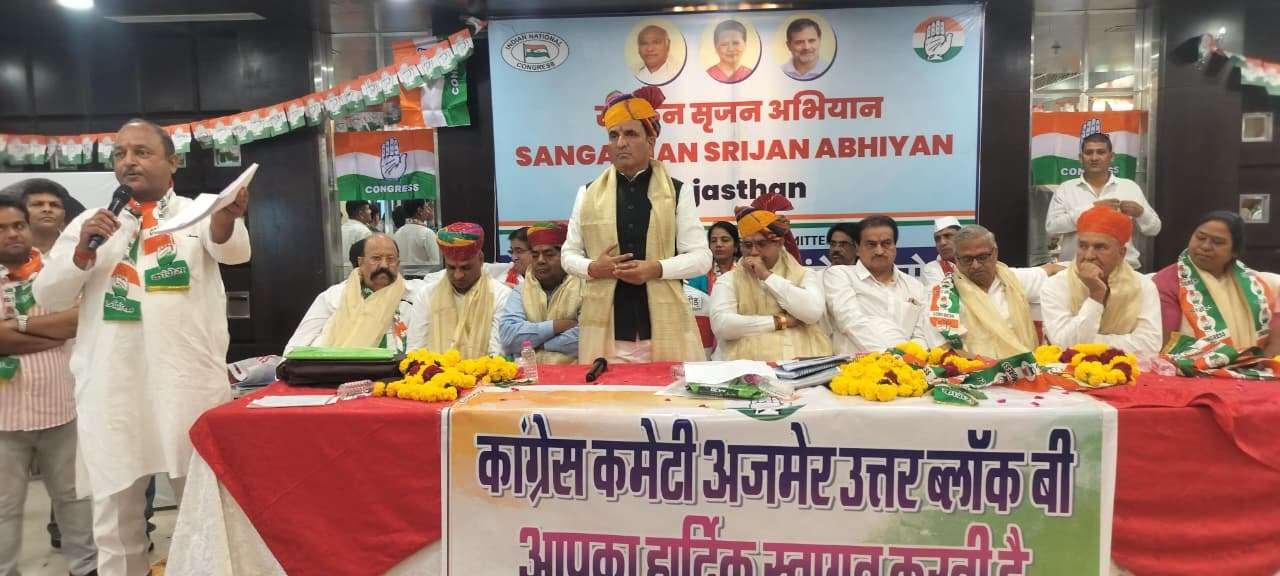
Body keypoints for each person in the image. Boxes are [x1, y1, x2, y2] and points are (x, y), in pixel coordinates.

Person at [32, 118, 251, 575]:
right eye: (119, 154)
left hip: (186, 384)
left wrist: (227, 218)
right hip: (113, 388)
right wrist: (83, 251)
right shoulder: (91, 223)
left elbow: (233, 252)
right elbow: (48, 295)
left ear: (173, 161)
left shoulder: (201, 210)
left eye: (141, 152)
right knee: (114, 520)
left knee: (202, 510)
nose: (128, 161)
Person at [562, 87, 710, 363]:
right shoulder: (588, 193)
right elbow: (568, 255)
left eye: (630, 134)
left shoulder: (678, 191)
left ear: (650, 140)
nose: (621, 143)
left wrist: (656, 268)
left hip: (664, 329)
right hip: (606, 330)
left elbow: (702, 258)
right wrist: (593, 268)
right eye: (613, 135)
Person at [0, 197, 98, 576]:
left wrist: (16, 329)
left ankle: (85, 567)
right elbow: (60, 329)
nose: (12, 234)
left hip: (61, 408)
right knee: (4, 506)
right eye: (1, 228)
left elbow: (77, 321)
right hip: (4, 418)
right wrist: (50, 334)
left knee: (74, 498)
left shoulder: (57, 271)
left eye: (18, 225)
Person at [1153, 211, 1280, 358]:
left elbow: (1276, 341)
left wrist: (1262, 364)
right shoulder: (1167, 282)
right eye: (1200, 238)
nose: (1205, 246)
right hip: (1190, 366)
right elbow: (1166, 343)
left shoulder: (1259, 285)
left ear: (1234, 251)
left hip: (1257, 365)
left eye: (1218, 242)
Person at [710, 206, 830, 361]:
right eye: (747, 245)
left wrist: (767, 276)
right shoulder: (729, 280)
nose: (754, 252)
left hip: (801, 365)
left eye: (762, 244)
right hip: (743, 368)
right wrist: (780, 321)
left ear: (779, 243)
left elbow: (812, 312)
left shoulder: (804, 274)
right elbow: (723, 326)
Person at [1041, 205, 1161, 355]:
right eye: (1083, 246)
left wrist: (1088, 342)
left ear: (1121, 253)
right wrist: (1096, 295)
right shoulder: (1056, 285)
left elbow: (1150, 345)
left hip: (1127, 368)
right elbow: (1063, 345)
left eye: (1100, 247)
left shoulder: (1143, 286)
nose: (1089, 255)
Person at [923, 225, 1050, 358]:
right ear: (956, 259)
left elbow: (1052, 270)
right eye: (967, 259)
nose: (975, 265)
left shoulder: (1013, 279)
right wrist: (992, 365)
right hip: (974, 368)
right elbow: (943, 349)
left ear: (995, 253)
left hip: (1026, 364)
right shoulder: (944, 295)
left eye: (982, 257)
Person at [285, 234, 416, 355]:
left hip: (401, 370)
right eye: (376, 258)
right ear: (361, 262)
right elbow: (294, 348)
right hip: (338, 369)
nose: (384, 265)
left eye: (390, 259)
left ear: (398, 263)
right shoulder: (333, 296)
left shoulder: (414, 295)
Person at [1046, 132, 1160, 269]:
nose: (1094, 158)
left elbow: (1154, 229)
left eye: (1101, 152)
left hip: (1123, 269)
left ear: (1111, 157)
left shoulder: (1129, 187)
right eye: (1089, 153)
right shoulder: (1066, 189)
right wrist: (1092, 209)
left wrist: (1141, 213)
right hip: (1077, 269)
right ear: (1081, 158)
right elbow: (1052, 228)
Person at [824, 215, 928, 353]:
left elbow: (921, 334)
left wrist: (910, 358)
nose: (879, 251)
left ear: (895, 247)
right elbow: (851, 321)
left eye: (886, 243)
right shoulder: (840, 275)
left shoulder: (915, 286)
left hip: (908, 364)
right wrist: (892, 356)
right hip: (853, 365)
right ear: (857, 249)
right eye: (871, 244)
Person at [409, 222, 511, 358]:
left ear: (481, 259)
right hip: (433, 370)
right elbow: (415, 351)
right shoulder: (427, 295)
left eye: (466, 268)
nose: (458, 275)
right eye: (451, 268)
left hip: (485, 371)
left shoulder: (501, 295)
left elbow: (497, 354)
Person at [498, 221, 582, 363]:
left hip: (575, 372)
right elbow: (509, 338)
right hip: (528, 374)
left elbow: (586, 336)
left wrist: (539, 344)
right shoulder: (521, 291)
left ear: (565, 256)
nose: (541, 260)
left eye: (549, 254)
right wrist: (557, 325)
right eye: (535, 255)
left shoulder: (584, 288)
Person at [393, 199, 440, 279]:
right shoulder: (427, 233)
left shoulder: (397, 233)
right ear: (420, 210)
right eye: (426, 207)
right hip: (424, 280)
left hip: (402, 279)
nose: (428, 210)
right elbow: (436, 263)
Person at [687, 221, 737, 295]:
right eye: (713, 241)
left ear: (736, 246)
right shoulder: (700, 273)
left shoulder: (745, 271)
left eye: (725, 240)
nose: (718, 244)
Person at [706, 20, 753, 84]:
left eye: (736, 43)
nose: (731, 49)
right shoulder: (708, 74)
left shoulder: (751, 74)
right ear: (716, 47)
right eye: (724, 44)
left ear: (745, 45)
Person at [920, 216, 961, 286]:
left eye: (948, 236)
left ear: (961, 238)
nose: (942, 243)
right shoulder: (932, 268)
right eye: (937, 239)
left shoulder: (974, 263)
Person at [341, 200, 373, 273]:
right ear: (361, 213)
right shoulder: (364, 231)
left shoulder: (341, 228)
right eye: (368, 209)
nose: (370, 211)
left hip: (341, 273)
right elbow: (367, 258)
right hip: (357, 273)